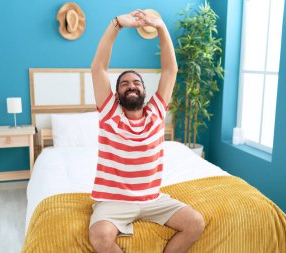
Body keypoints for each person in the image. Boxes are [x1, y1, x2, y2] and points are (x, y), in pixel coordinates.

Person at [89, 9, 205, 253]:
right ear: (117, 95)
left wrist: (162, 28)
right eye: (124, 84)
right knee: (100, 237)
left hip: (153, 199)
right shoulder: (110, 113)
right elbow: (98, 67)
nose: (131, 86)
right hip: (114, 202)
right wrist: (117, 24)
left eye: (136, 83)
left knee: (196, 222)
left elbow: (170, 70)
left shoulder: (157, 113)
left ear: (144, 91)